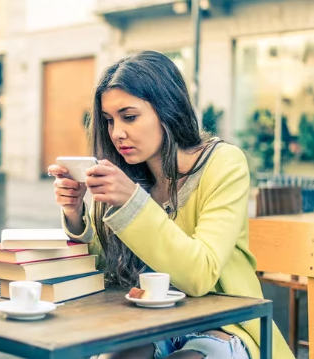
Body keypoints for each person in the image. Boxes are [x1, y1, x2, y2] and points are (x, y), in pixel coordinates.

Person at [48, 51, 293, 359]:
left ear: (167, 110)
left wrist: (133, 202)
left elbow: (199, 275)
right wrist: (74, 214)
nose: (117, 133)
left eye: (130, 116)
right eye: (109, 121)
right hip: (145, 325)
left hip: (220, 324)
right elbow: (105, 272)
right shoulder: (122, 172)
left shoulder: (224, 163)